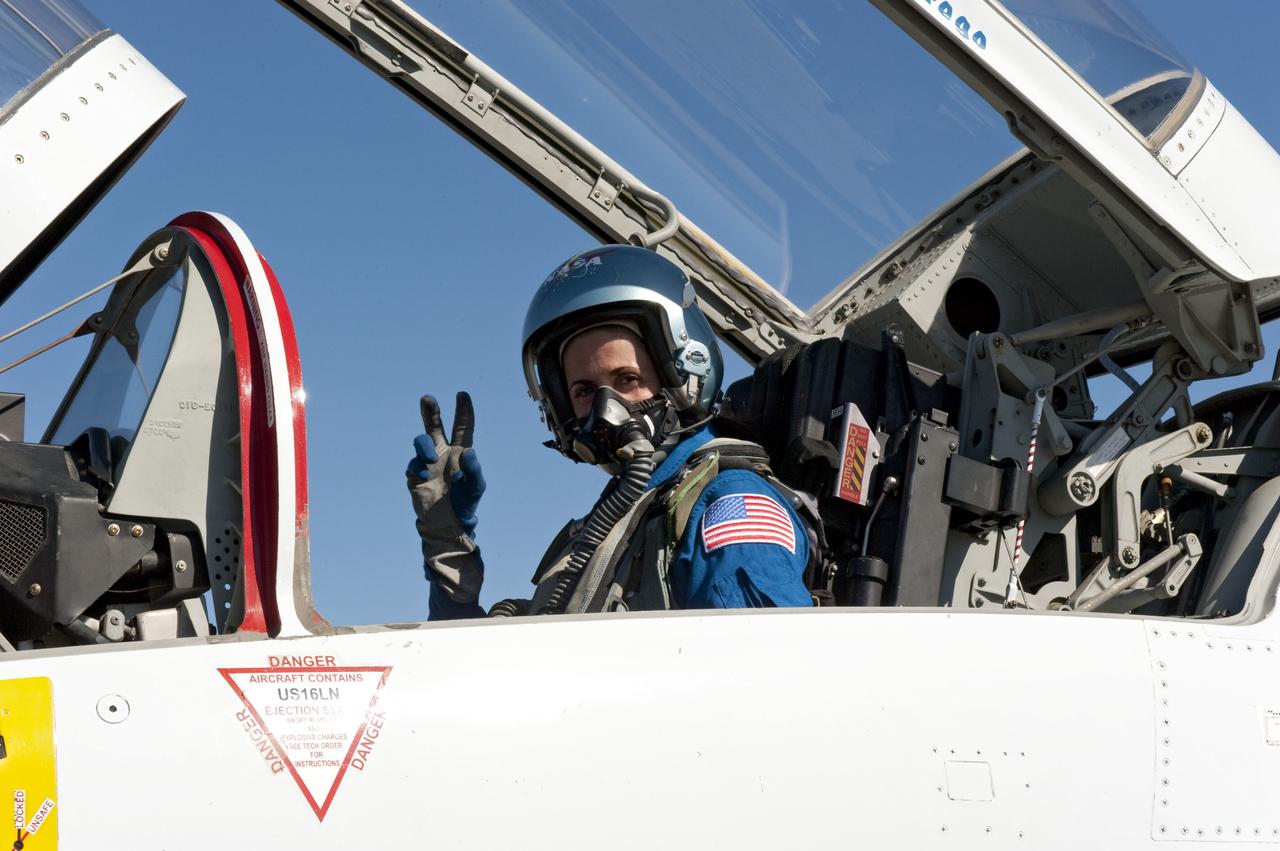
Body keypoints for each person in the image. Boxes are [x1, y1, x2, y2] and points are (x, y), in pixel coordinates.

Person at [407, 244, 816, 619]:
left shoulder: (727, 505)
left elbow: (772, 677)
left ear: (685, 371)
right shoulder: (614, 524)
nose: (606, 409)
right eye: (584, 390)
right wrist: (449, 548)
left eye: (626, 379)